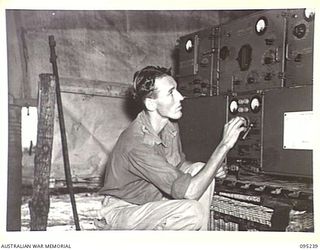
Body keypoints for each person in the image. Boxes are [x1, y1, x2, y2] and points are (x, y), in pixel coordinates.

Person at [96, 66, 246, 230]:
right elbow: (190, 192)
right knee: (192, 211)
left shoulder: (169, 126)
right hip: (124, 211)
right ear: (151, 103)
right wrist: (224, 146)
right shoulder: (137, 145)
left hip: (152, 202)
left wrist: (211, 168)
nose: (181, 97)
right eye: (171, 93)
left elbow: (179, 167)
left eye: (178, 91)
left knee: (199, 169)